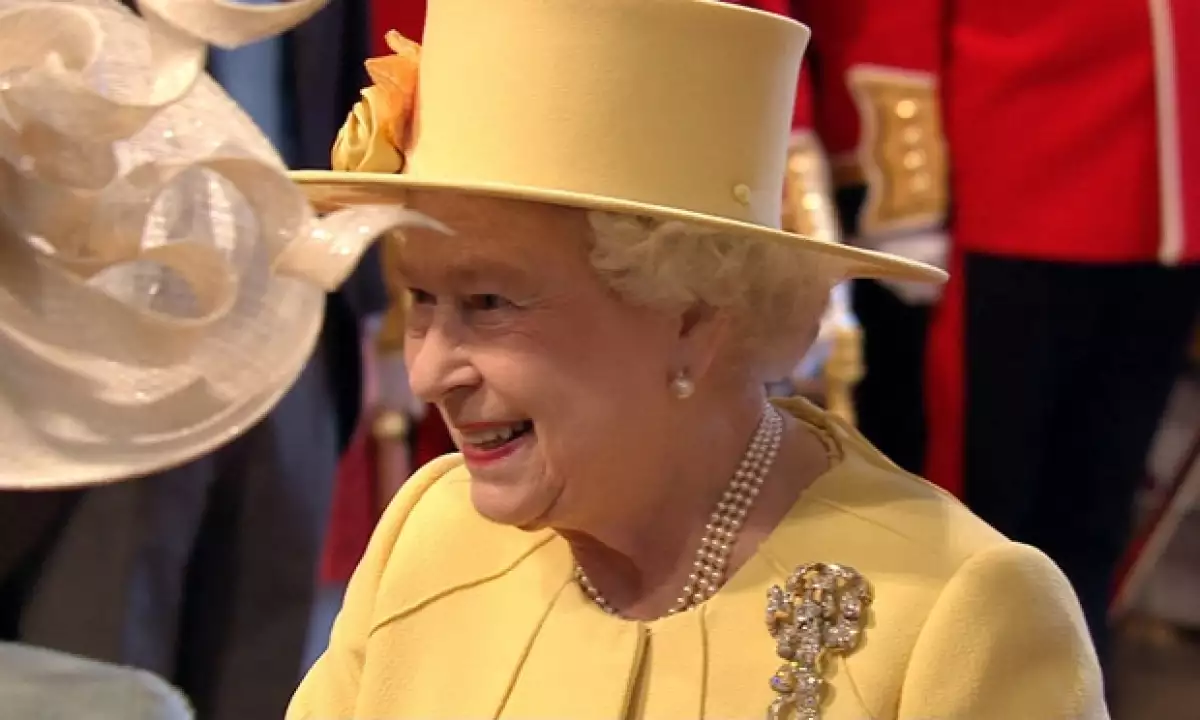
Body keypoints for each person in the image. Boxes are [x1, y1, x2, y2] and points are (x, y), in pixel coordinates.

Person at [289, 1, 1106, 718]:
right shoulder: (431, 528)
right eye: (420, 300)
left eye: (490, 304)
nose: (431, 371)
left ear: (692, 317)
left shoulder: (958, 616)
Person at [921, 0, 1200, 665]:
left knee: (1095, 514)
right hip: (1016, 177)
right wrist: (903, 177)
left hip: (1167, 206)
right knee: (979, 519)